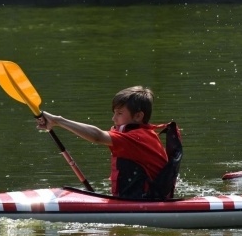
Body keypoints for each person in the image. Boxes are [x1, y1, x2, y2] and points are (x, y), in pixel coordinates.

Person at [36, 85, 181, 200]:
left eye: (119, 113)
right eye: (114, 113)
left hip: (143, 202)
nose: (114, 119)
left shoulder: (136, 138)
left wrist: (57, 121)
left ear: (138, 116)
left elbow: (97, 136)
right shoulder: (141, 134)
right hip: (139, 200)